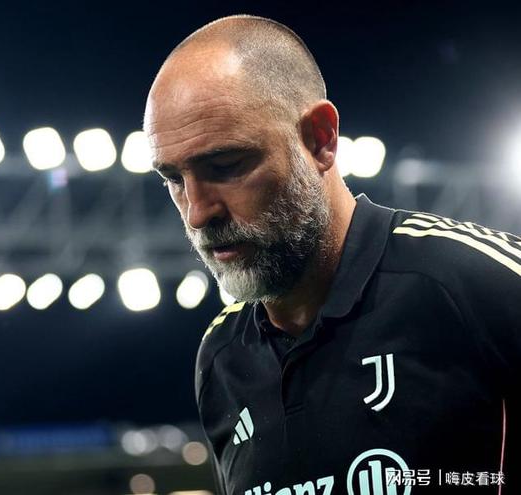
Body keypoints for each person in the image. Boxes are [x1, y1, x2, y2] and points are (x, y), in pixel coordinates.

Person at [143, 14, 520, 495]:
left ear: (320, 139)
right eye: (174, 179)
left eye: (225, 165)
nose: (197, 213)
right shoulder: (220, 358)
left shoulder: (476, 281)